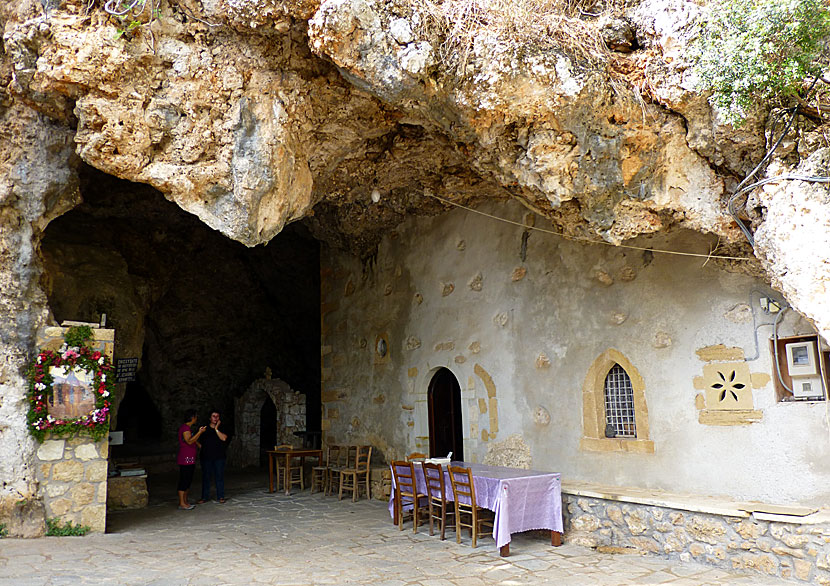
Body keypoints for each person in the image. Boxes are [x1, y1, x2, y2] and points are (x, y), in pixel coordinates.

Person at [177, 408, 206, 510]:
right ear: (192, 417)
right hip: (186, 458)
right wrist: (200, 432)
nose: (196, 418)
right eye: (196, 416)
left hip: (190, 457)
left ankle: (185, 501)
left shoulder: (188, 428)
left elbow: (193, 441)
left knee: (188, 479)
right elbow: (189, 441)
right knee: (184, 479)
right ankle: (182, 503)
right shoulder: (185, 428)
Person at [198, 410, 229, 503]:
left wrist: (216, 429)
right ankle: (204, 497)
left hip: (219, 457)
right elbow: (199, 441)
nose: (215, 418)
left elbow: (223, 438)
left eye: (217, 416)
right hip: (206, 457)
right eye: (213, 416)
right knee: (206, 477)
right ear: (209, 418)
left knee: (219, 477)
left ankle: (221, 496)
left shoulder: (222, 428)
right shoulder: (204, 429)